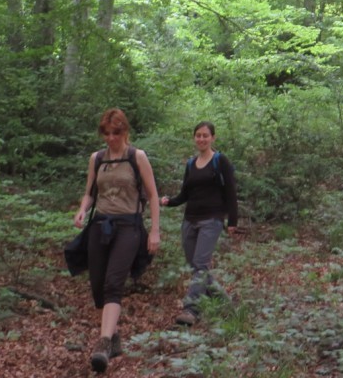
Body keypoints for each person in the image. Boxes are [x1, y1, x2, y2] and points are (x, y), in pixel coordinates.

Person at [74, 108, 161, 374]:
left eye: (116, 132)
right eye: (106, 133)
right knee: (98, 285)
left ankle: (102, 345)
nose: (111, 138)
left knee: (113, 283)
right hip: (101, 225)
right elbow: (90, 192)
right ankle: (113, 336)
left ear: (125, 131)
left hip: (129, 227)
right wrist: (82, 209)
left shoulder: (137, 157)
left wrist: (155, 231)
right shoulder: (97, 159)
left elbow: (153, 196)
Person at [160, 122, 239, 327]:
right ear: (194, 138)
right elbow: (185, 193)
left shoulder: (220, 161)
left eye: (205, 135)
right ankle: (224, 302)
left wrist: (232, 220)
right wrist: (170, 202)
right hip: (190, 220)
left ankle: (191, 309)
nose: (201, 139)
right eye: (198, 135)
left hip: (211, 220)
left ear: (213, 138)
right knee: (196, 266)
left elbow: (230, 191)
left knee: (201, 265)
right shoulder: (190, 164)